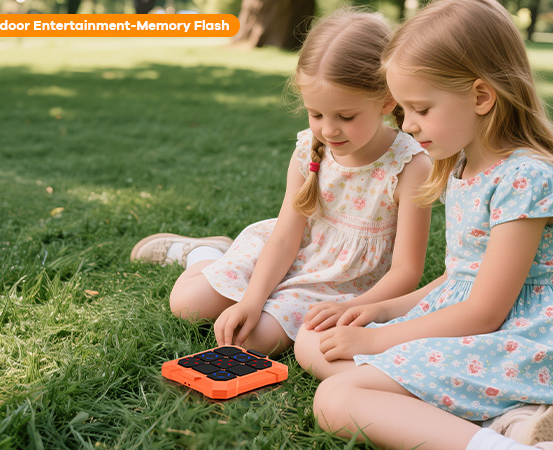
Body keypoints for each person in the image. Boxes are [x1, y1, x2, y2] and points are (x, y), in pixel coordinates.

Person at [294, 0, 553, 449]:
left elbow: (486, 311)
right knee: (312, 342)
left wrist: (380, 342)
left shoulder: (525, 177)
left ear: (480, 96)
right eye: (404, 112)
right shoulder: (462, 167)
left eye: (420, 109)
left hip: (520, 339)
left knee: (335, 400)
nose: (409, 125)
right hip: (468, 322)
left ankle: (503, 443)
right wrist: (381, 311)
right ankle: (510, 418)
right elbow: (460, 279)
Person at [131, 9, 432, 356]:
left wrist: (355, 309)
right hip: (284, 254)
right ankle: (204, 253)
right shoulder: (309, 149)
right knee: (187, 304)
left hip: (337, 285)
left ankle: (228, 266)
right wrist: (252, 300)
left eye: (345, 117)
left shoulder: (409, 165)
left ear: (386, 100)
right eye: (316, 114)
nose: (329, 130)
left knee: (254, 341)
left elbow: (407, 271)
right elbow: (287, 236)